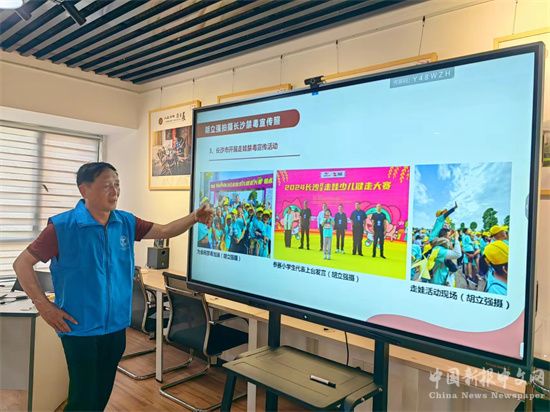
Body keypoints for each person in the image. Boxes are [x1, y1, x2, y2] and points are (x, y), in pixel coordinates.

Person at [12, 162, 213, 412]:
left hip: (116, 327)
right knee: (83, 397)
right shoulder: (62, 227)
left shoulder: (125, 222)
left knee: (101, 393)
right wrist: (44, 307)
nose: (115, 191)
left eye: (117, 185)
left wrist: (194, 217)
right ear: (84, 190)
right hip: (79, 329)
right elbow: (22, 264)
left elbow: (164, 230)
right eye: (107, 185)